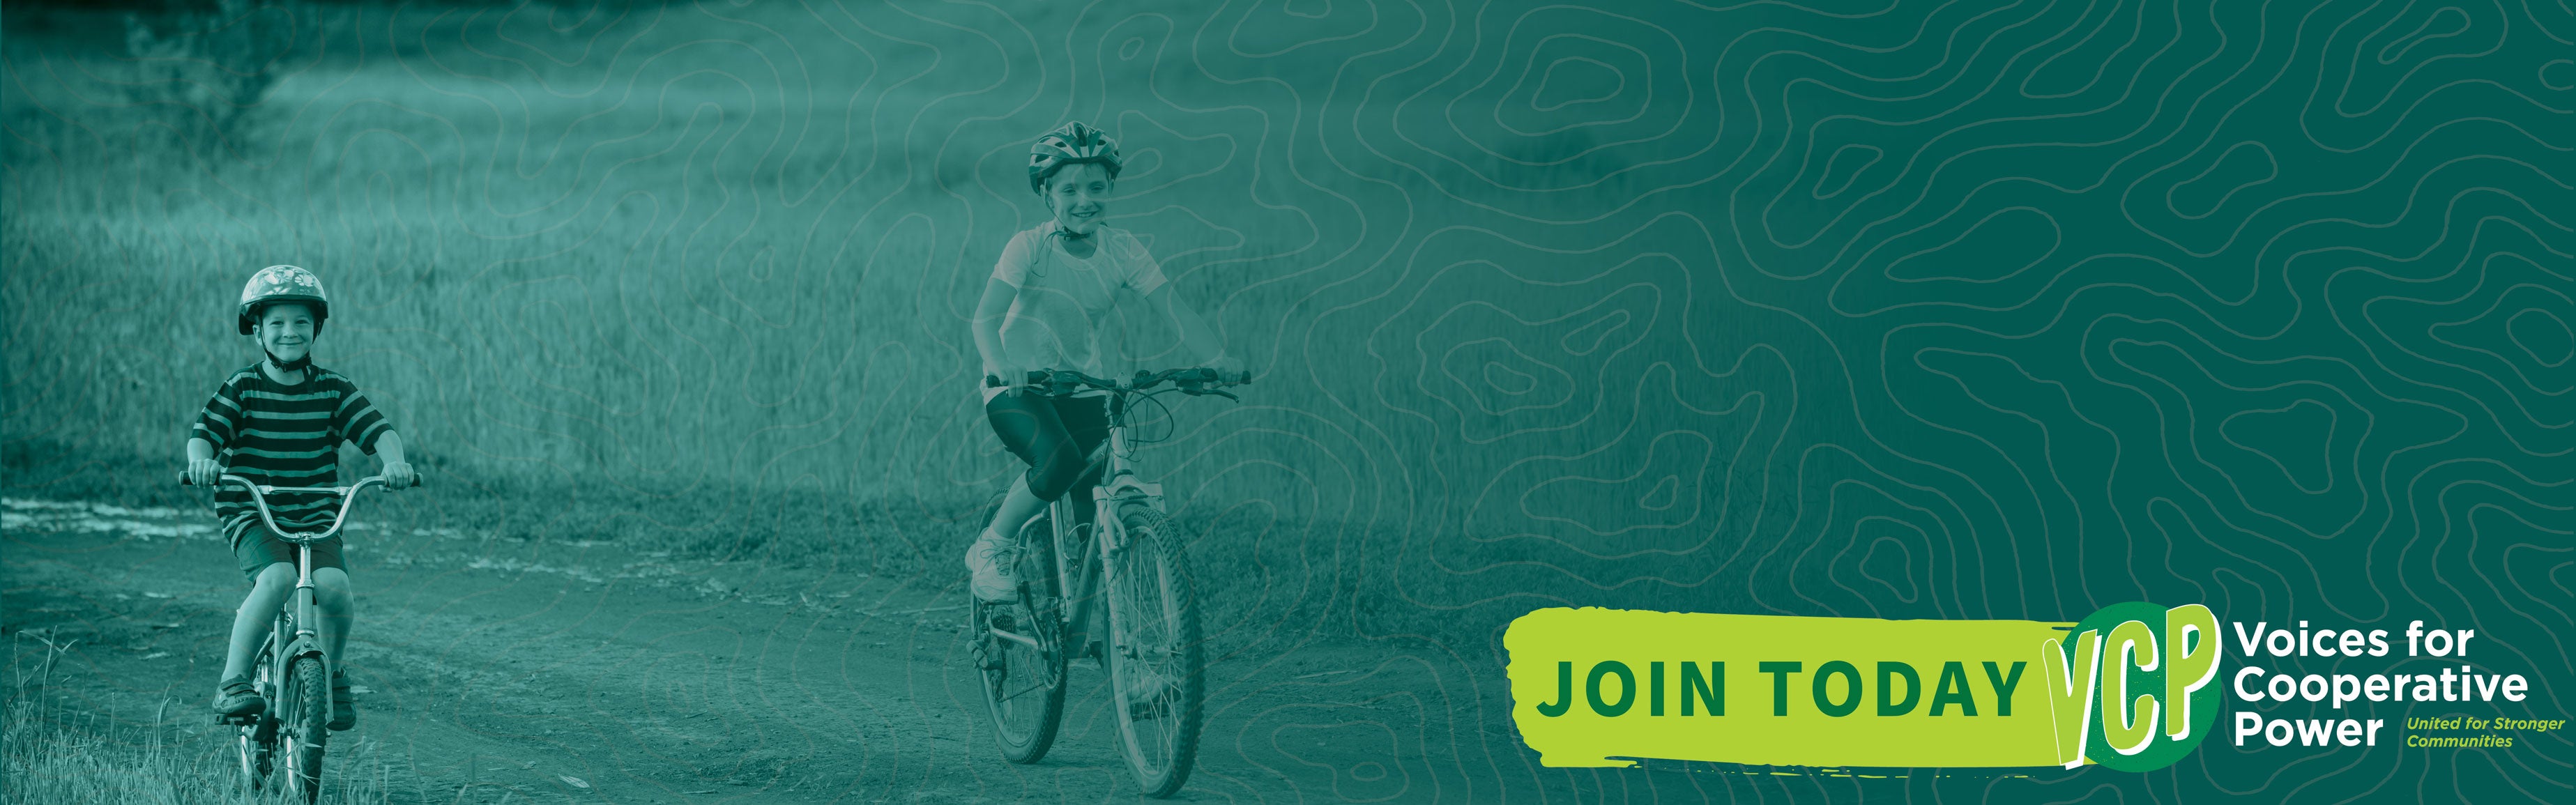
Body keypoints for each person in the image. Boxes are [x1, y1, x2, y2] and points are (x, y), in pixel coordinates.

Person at [966, 121, 1242, 601]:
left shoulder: (1122, 250)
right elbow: (984, 319)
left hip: (1085, 386)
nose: (1083, 199)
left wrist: (1217, 359)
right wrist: (999, 362)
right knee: (1060, 460)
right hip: (1019, 386)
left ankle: (1111, 632)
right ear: (1047, 193)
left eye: (1095, 187)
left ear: (1110, 187)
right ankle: (993, 545)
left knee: (1094, 514)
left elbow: (1175, 309)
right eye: (1068, 189)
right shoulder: (1028, 246)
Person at [188, 265, 416, 730]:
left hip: (316, 512)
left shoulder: (332, 389)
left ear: (316, 327)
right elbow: (204, 436)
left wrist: (394, 462)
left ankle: (329, 674)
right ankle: (232, 681)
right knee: (277, 578)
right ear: (256, 330)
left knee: (335, 589)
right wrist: (202, 462)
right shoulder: (243, 387)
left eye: (300, 322)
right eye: (276, 323)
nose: (290, 332)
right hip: (253, 508)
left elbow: (378, 430)